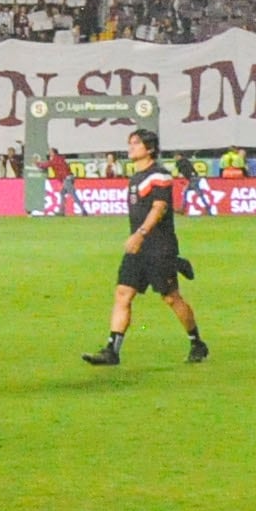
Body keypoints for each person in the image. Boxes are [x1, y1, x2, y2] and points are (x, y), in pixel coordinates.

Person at [87, 128, 205, 367]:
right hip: (138, 248)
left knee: (171, 298)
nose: (131, 147)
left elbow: (159, 207)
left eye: (136, 143)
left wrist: (140, 234)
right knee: (123, 293)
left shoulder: (158, 175)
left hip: (158, 247)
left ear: (149, 149)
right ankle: (112, 350)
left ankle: (197, 342)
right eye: (130, 143)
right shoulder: (136, 177)